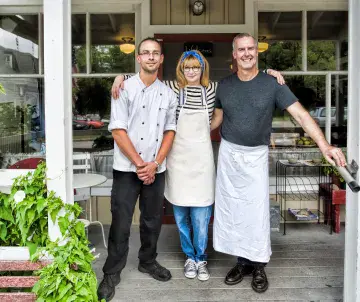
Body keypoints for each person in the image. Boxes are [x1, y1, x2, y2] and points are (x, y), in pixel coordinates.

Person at [111, 49, 284, 282]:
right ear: (181, 70)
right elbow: (146, 75)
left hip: (202, 160)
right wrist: (121, 77)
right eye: (187, 67)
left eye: (196, 67)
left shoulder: (214, 89)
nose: (191, 71)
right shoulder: (171, 88)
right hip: (177, 160)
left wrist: (268, 72)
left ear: (203, 69)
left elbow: (245, 74)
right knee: (181, 215)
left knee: (202, 215)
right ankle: (189, 257)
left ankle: (201, 257)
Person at [210, 33, 346, 293]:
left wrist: (324, 145)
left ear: (256, 53)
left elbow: (302, 116)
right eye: (242, 49)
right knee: (234, 212)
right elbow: (215, 121)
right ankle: (242, 262)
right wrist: (189, 137)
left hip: (256, 156)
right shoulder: (224, 85)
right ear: (235, 54)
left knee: (256, 212)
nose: (247, 53)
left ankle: (259, 264)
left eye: (251, 48)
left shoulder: (273, 84)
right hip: (229, 156)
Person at [97, 37, 178, 301]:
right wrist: (141, 164)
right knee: (120, 223)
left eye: (156, 53)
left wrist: (154, 164)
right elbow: (118, 131)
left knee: (152, 220)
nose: (151, 57)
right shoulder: (123, 89)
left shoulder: (169, 93)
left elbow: (169, 131)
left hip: (156, 168)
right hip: (126, 169)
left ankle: (147, 260)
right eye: (146, 53)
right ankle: (112, 272)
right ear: (139, 58)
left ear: (161, 58)